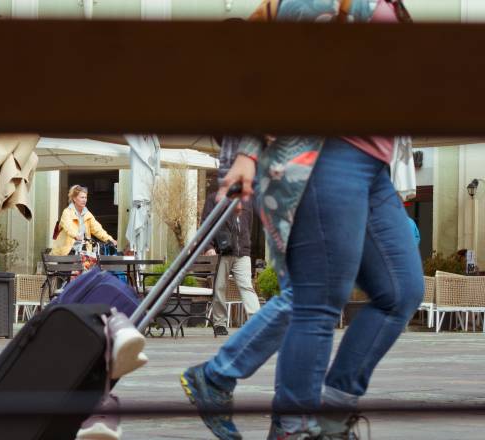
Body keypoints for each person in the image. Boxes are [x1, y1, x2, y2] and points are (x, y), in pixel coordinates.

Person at [181, 4, 423, 439]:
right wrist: (250, 151)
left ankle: (330, 413)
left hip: (372, 165)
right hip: (324, 154)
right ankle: (293, 428)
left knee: (401, 290)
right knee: (316, 298)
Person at [202, 189, 260, 336]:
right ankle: (220, 323)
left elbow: (249, 224)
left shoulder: (247, 199)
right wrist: (208, 246)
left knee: (247, 286)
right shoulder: (214, 198)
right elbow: (206, 225)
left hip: (243, 252)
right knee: (220, 287)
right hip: (223, 250)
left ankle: (257, 322)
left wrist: (246, 243)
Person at [51, 184, 117, 256]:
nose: (84, 200)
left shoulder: (87, 214)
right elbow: (68, 227)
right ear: (74, 198)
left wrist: (110, 240)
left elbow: (97, 230)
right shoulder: (67, 212)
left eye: (85, 197)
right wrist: (76, 235)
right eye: (82, 197)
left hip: (83, 251)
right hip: (67, 252)